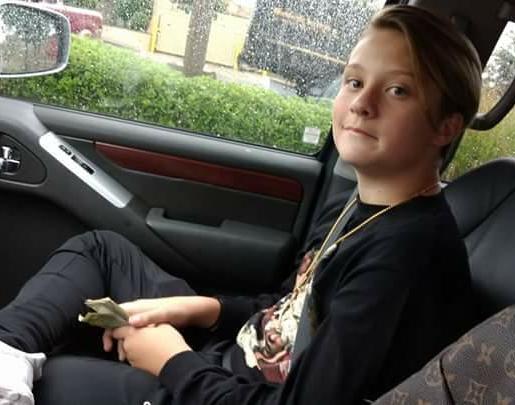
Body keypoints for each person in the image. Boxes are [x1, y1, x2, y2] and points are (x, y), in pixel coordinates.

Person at [0, 5, 482, 405]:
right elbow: (288, 311)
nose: (362, 103)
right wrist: (201, 309)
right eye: (354, 82)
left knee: (53, 381)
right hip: (232, 357)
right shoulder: (359, 206)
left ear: (446, 126)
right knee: (101, 250)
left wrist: (171, 361)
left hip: (235, 389)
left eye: (397, 90)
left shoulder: (406, 255)